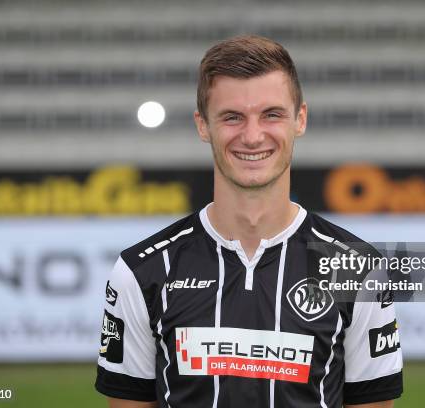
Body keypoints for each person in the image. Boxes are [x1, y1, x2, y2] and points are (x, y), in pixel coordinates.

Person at [95, 35, 403, 408]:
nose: (253, 136)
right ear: (203, 125)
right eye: (232, 117)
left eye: (271, 114)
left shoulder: (358, 268)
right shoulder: (140, 271)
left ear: (300, 119)